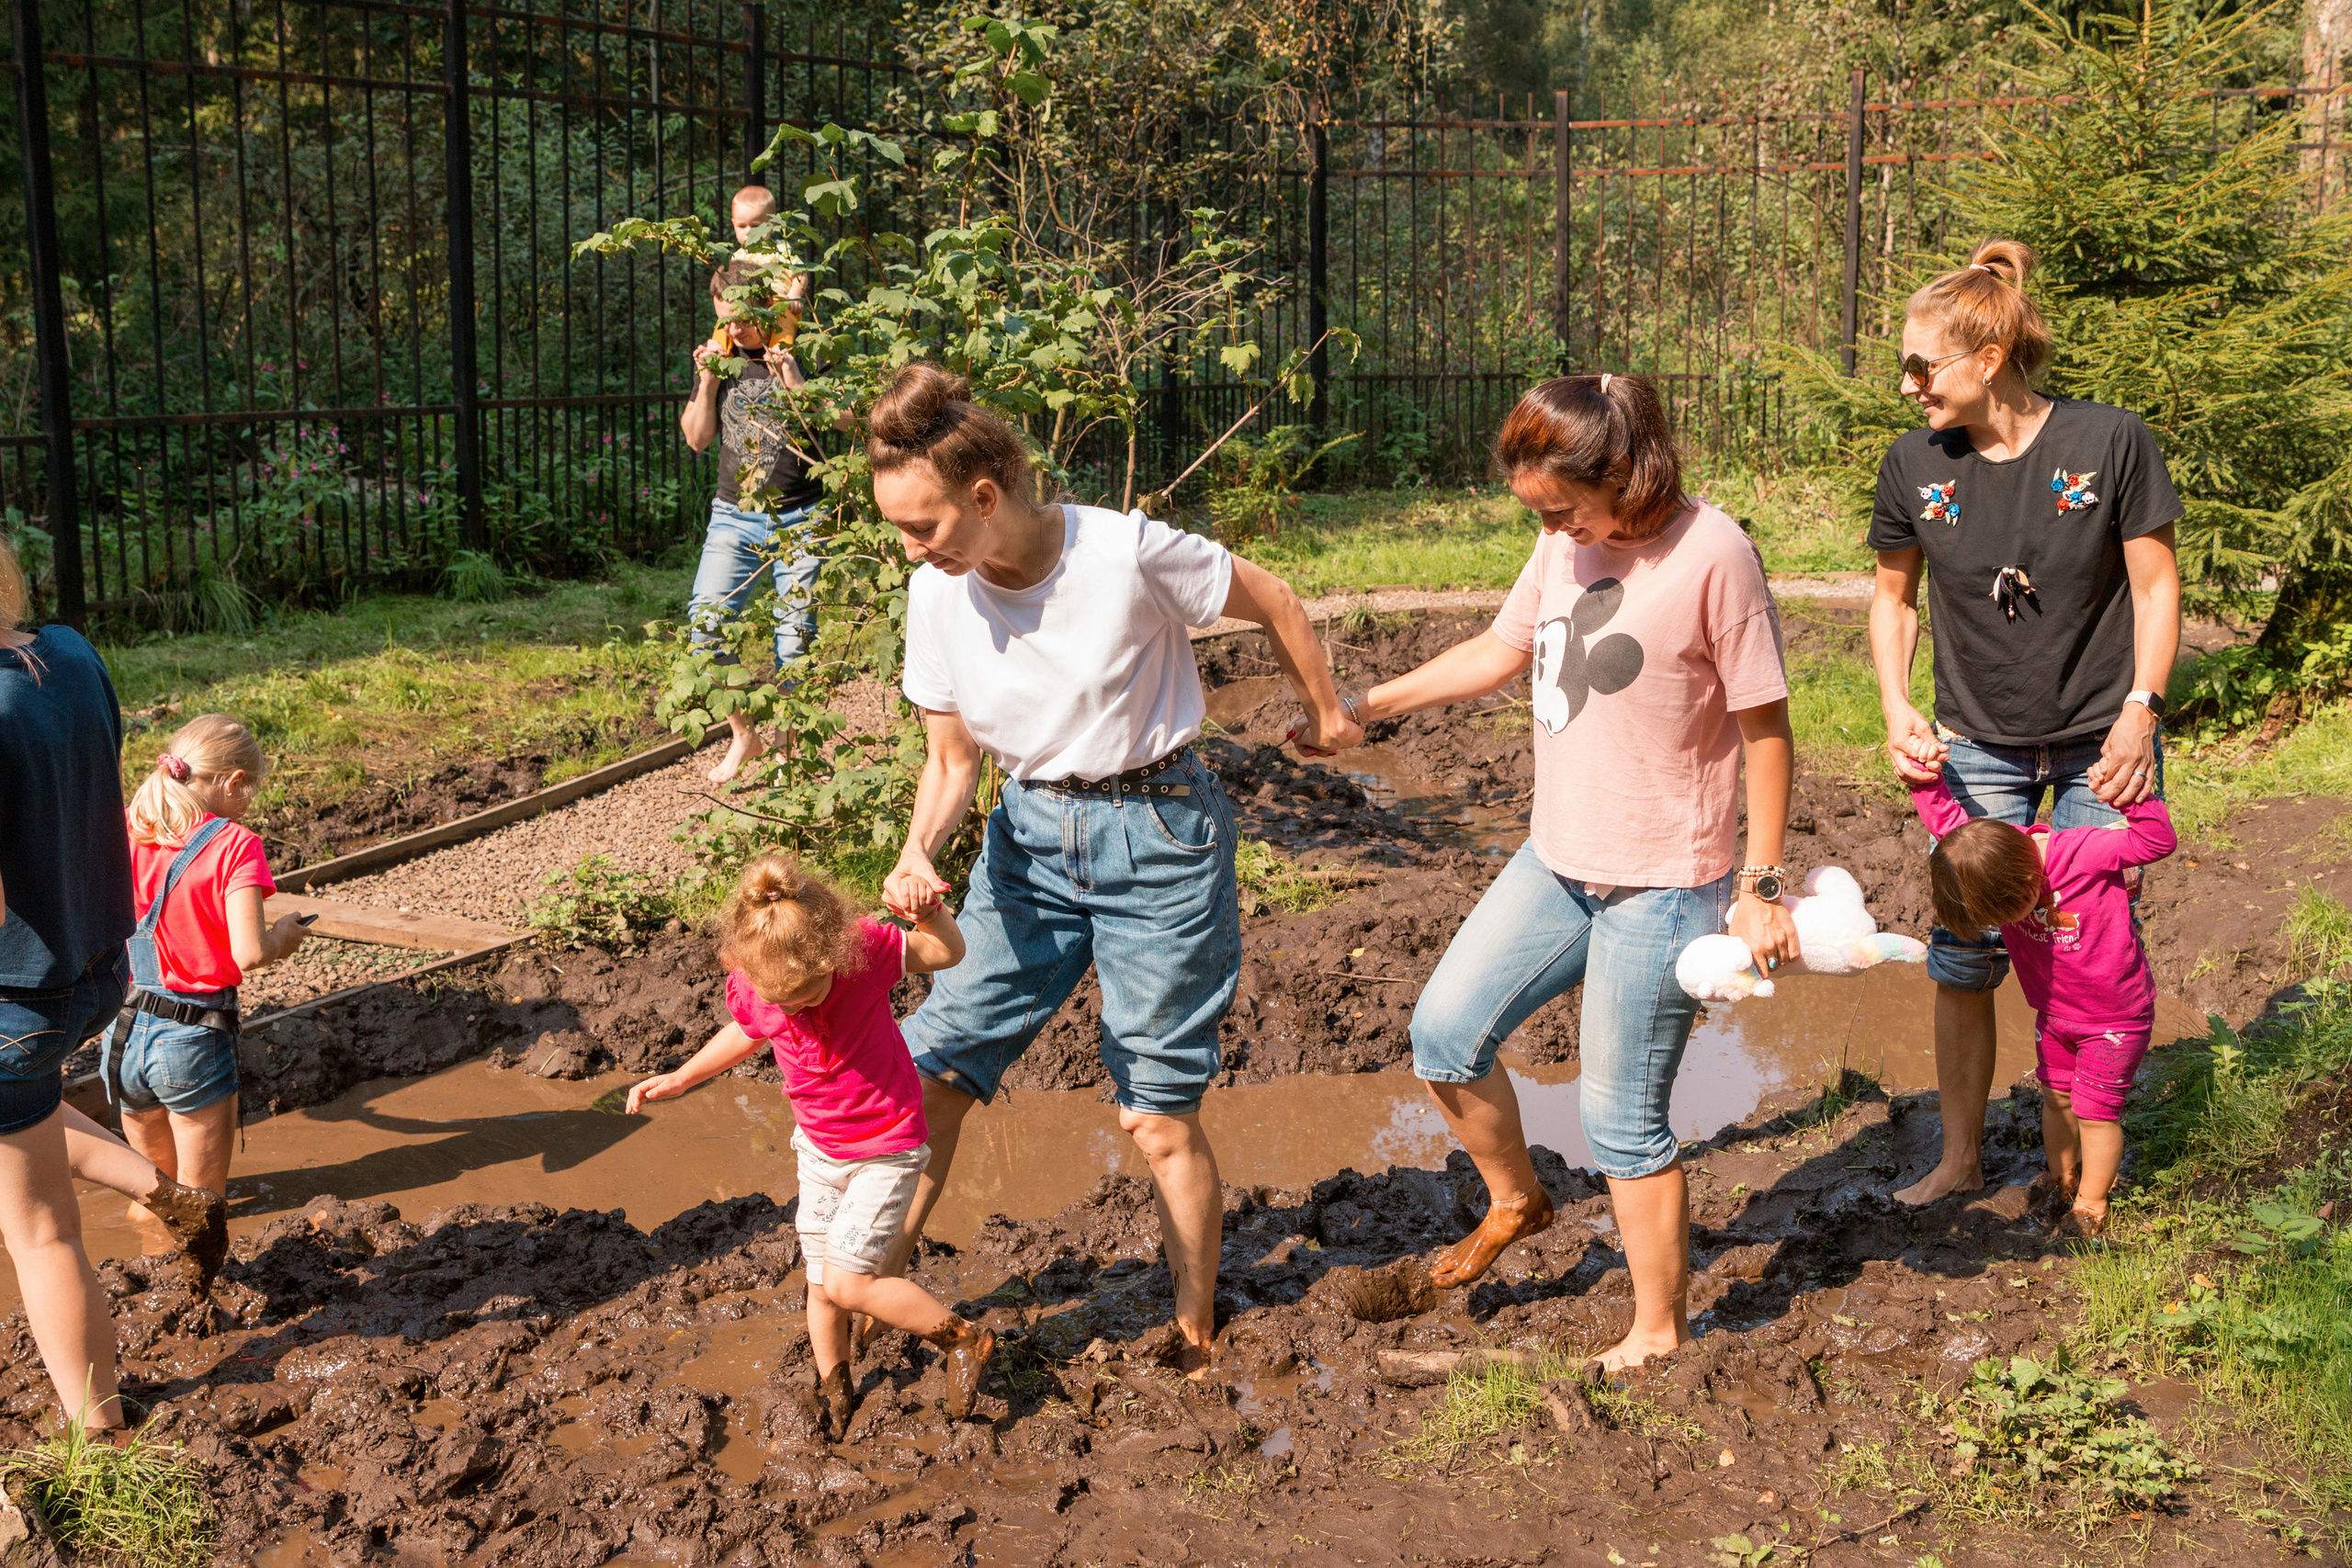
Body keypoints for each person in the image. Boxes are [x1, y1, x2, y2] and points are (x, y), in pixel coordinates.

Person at [865, 363, 1361, 1373]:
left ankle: (1194, 1330)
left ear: (985, 496)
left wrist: (1328, 712)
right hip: (1028, 842)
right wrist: (919, 848)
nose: (910, 549)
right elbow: (951, 761)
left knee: (1156, 1114)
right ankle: (873, 1293)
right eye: (899, 531)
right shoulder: (934, 593)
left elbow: (1272, 597)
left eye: (922, 526)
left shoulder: (1125, 554)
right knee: (932, 1072)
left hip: (1159, 836)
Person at [1342, 372, 1797, 1371]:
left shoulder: (1714, 555)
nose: (1551, 531)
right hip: (1556, 861)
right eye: (1538, 514)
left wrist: (1761, 886)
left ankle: (1659, 1331)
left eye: (1562, 508)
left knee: (1620, 1122)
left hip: (1663, 882)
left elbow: (1767, 732)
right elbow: (1500, 650)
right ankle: (1518, 1199)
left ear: (1626, 470)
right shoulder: (1562, 544)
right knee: (1444, 1035)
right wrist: (1365, 706)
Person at [1867, 238, 2183, 1206]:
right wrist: (1897, 706)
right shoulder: (1913, 464)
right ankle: (1960, 1161)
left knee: (2089, 942)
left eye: (1922, 364)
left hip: (2101, 737)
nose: (1908, 383)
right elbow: (1892, 601)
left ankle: (2072, 1176)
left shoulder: (2109, 441)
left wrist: (2140, 710)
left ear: (1989, 359)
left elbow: (2155, 586)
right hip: (1975, 742)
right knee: (1965, 952)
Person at [623, 851, 991, 1429]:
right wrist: (683, 1077)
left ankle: (965, 1338)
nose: (793, 1008)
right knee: (820, 1286)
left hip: (886, 1146)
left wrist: (930, 914)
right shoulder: (757, 984)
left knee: (848, 1282)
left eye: (806, 993)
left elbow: (946, 952)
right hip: (818, 1151)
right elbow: (746, 1032)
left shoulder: (862, 953)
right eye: (782, 1002)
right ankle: (837, 1394)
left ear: (832, 956)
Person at [0, 538, 229, 1433]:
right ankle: (171, 1196)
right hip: (96, 969)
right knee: (20, 1113)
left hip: (16, 999)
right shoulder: (70, 653)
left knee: (42, 1231)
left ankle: (98, 1437)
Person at [1896, 739, 2176, 1237]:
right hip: (2056, 1014)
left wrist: (2132, 798)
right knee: (2056, 1098)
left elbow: (2157, 843)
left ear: (2029, 879)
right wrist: (1926, 781)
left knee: (2095, 1113)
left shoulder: (2084, 852)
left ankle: (2091, 1204)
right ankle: (2061, 1179)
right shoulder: (1987, 862)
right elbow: (1946, 823)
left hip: (2113, 1019)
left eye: (2009, 914)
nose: (2005, 925)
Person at [111, 715, 307, 1249]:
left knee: (150, 1193)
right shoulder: (235, 844)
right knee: (200, 1202)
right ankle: (196, 1293)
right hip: (190, 1036)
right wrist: (284, 937)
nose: (251, 799)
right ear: (234, 780)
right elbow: (250, 952)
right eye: (252, 788)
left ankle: (142, 1263)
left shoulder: (130, 823)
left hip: (121, 1028)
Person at [681, 200, 826, 787]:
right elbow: (696, 439)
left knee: (795, 643)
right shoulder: (720, 357)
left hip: (800, 517)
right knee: (705, 631)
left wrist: (791, 377)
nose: (733, 329)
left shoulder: (801, 350)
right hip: (733, 517)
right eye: (724, 317)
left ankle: (790, 753)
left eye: (742, 318)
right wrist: (707, 380)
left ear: (768, 306)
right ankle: (746, 735)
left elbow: (836, 426)